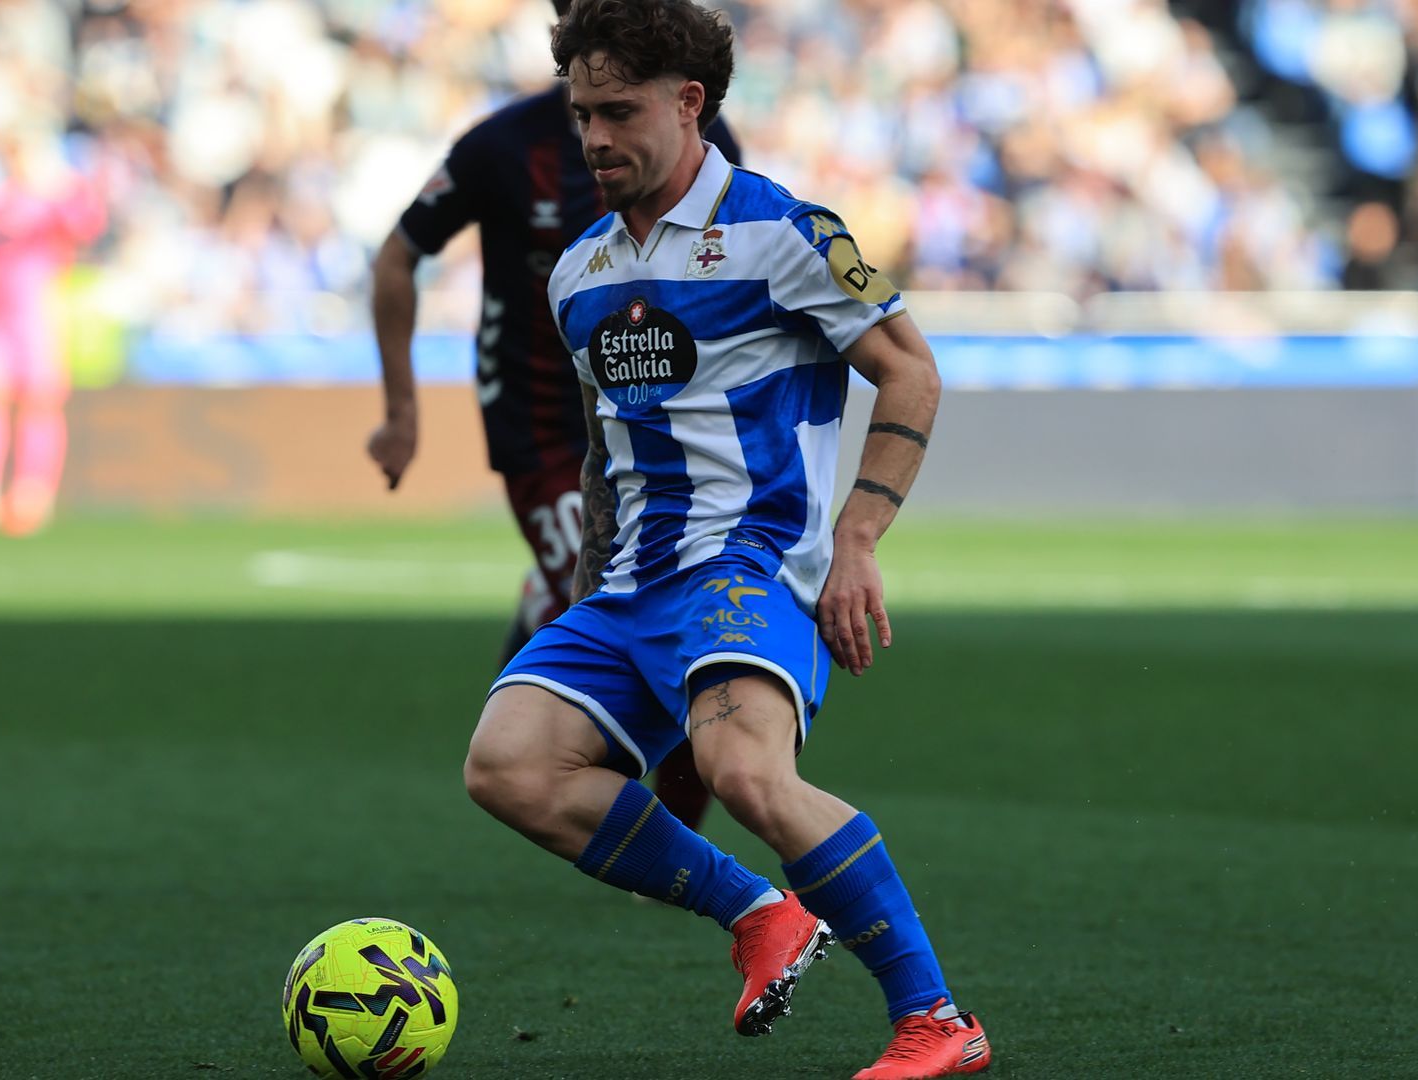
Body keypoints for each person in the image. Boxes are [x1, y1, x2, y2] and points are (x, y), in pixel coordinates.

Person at [461, 2, 991, 1076]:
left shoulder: (781, 231)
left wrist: (858, 540)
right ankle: (759, 914)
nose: (595, 138)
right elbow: (612, 458)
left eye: (618, 112)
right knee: (509, 766)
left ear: (688, 101)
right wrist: (581, 587)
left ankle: (936, 1021)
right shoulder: (580, 275)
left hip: (752, 565)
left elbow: (910, 369)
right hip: (631, 587)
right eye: (581, 115)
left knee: (743, 771)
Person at [368, 0, 742, 830]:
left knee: (681, 600)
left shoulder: (701, 141)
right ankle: (646, 820)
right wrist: (401, 412)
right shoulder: (503, 147)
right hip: (539, 420)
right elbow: (398, 258)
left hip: (656, 417)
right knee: (627, 592)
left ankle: (665, 811)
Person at [0, 129, 106, 538]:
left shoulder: (54, 201)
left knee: (40, 402)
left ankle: (33, 493)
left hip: (38, 315)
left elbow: (87, 224)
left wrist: (59, 183)